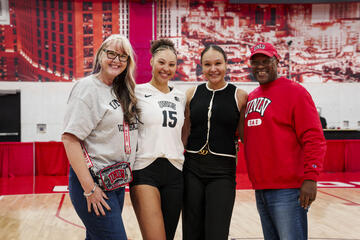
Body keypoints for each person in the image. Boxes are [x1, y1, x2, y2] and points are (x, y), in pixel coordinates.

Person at [243, 42, 327, 239]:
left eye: (266, 61)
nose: (261, 66)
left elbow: (314, 137)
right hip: (261, 188)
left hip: (288, 190)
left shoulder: (295, 92)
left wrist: (311, 177)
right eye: (256, 62)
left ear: (277, 62)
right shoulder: (252, 97)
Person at [62, 34, 138, 240]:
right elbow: (70, 139)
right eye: (111, 53)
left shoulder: (121, 90)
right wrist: (89, 189)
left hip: (116, 181)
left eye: (123, 56)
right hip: (93, 181)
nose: (116, 60)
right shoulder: (87, 88)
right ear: (100, 56)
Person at [182, 45, 248, 240]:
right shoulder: (191, 94)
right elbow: (185, 135)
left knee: (217, 232)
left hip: (222, 173)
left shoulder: (240, 97)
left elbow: (246, 137)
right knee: (191, 231)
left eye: (218, 63)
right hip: (192, 170)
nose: (213, 69)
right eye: (207, 64)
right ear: (201, 67)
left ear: (226, 65)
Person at [129, 39, 186, 240]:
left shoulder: (181, 96)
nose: (166, 68)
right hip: (145, 168)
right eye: (161, 62)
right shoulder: (136, 92)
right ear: (151, 61)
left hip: (175, 170)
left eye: (171, 65)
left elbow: (184, 132)